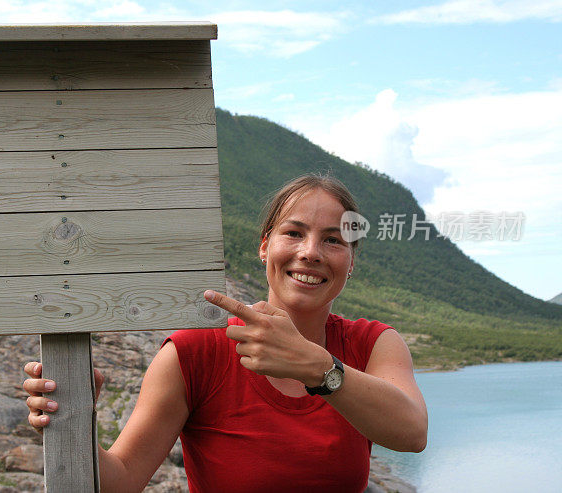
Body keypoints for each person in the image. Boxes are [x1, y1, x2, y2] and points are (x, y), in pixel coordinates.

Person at [24, 174, 427, 492]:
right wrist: (76, 424)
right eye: (293, 232)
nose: (310, 252)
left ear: (351, 261)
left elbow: (412, 432)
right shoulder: (194, 352)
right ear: (264, 246)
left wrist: (318, 368)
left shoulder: (373, 343)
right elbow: (122, 480)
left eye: (334, 240)